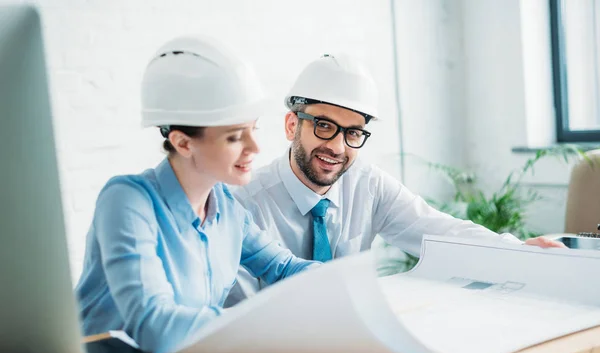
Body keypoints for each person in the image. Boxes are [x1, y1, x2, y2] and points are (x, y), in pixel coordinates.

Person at [228, 53, 564, 301]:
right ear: (291, 125)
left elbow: (440, 233)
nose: (336, 147)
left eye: (353, 133)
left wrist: (518, 251)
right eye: (324, 126)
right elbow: (235, 312)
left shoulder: (367, 184)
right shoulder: (244, 203)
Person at [75, 36, 319, 353]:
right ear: (183, 143)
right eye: (234, 136)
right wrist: (262, 321)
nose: (255, 148)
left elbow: (286, 269)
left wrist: (342, 286)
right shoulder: (127, 202)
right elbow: (155, 327)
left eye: (253, 129)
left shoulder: (227, 209)